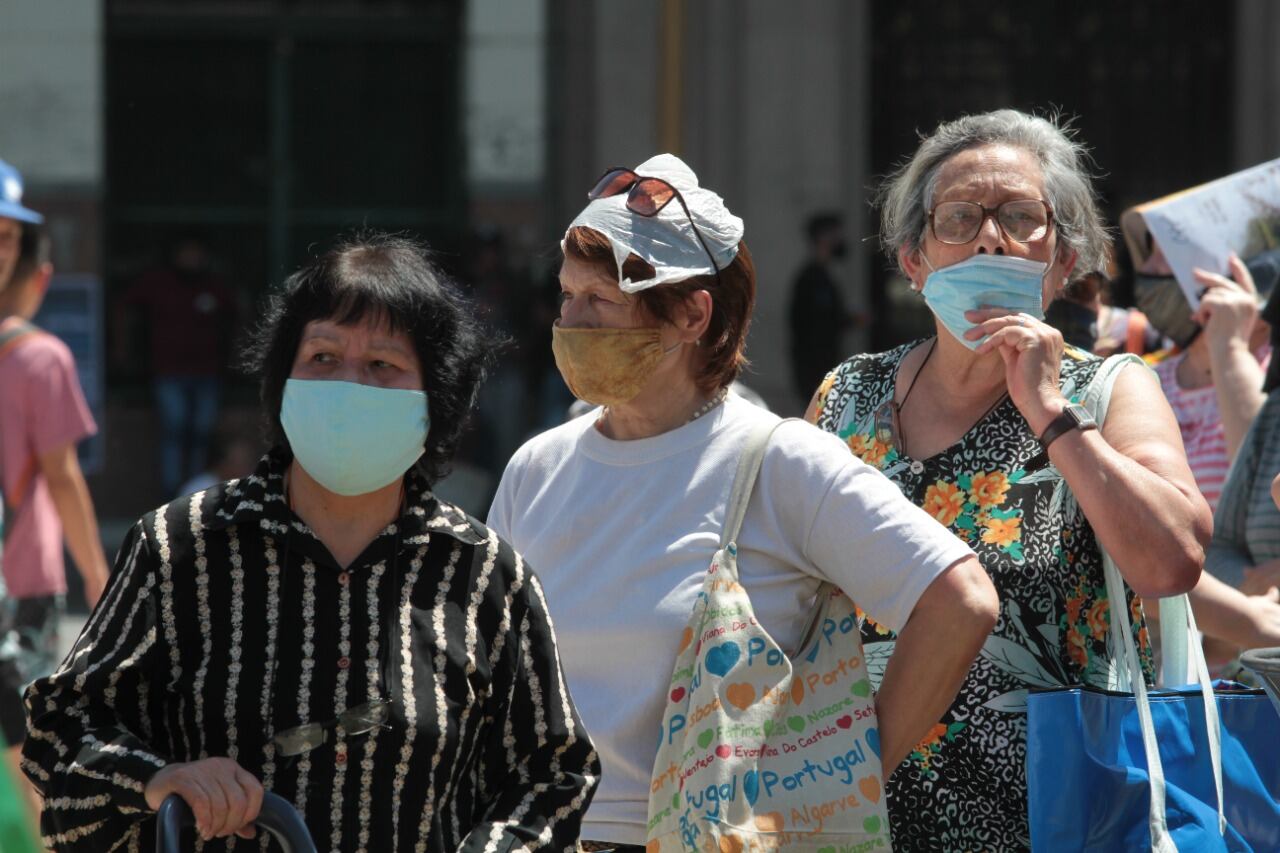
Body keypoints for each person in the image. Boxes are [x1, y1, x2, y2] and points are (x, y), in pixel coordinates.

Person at [488, 154, 1000, 850]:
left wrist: (846, 773)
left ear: (692, 314)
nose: (569, 323)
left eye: (599, 302)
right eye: (567, 296)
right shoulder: (536, 468)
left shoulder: (777, 460)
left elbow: (960, 599)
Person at [23, 234, 599, 851]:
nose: (349, 385)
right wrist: (160, 779)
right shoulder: (180, 546)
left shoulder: (485, 575)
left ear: (436, 399)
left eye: (383, 365)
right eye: (322, 357)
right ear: (283, 378)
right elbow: (62, 731)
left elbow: (552, 771)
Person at [807, 110, 1209, 851]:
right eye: (959, 218)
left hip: (1056, 819)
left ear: (1061, 262)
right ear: (913, 260)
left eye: (1021, 217)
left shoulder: (1108, 392)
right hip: (858, 814)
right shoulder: (846, 395)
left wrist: (1049, 412)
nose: (990, 237)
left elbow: (1173, 559)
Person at [0, 163, 110, 825]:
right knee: (31, 764)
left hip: (20, 587)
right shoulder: (40, 358)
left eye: (7, 238)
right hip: (24, 590)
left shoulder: (40, 358)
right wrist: (101, 579)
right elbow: (64, 480)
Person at [117, 234, 239, 496]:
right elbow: (125, 308)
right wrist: (124, 352)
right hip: (169, 371)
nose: (191, 259)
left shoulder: (213, 285)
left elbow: (238, 316)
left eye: (196, 253)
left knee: (201, 432)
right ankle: (173, 492)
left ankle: (193, 491)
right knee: (174, 429)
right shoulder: (158, 283)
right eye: (186, 252)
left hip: (207, 371)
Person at [787, 212, 862, 404]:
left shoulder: (825, 276)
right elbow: (815, 325)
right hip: (814, 368)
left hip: (823, 365)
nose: (840, 240)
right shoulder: (810, 279)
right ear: (823, 238)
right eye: (835, 234)